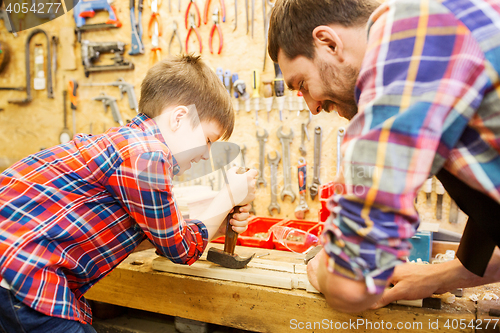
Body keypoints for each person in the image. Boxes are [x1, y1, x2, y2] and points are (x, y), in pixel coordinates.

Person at [268, 0, 500, 312]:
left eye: (303, 85)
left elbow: (351, 286)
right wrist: (443, 275)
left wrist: (323, 270)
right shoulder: (447, 36)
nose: (312, 106)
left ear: (328, 43)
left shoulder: (411, 35)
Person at [0, 54, 258, 332]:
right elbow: (182, 250)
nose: (207, 155)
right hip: (26, 272)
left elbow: (146, 235)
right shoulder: (148, 155)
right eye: (207, 140)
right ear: (179, 118)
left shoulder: (127, 143)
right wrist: (228, 196)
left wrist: (213, 225)